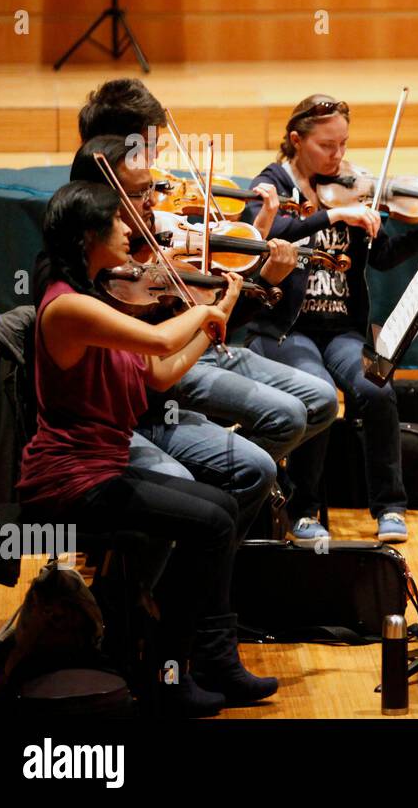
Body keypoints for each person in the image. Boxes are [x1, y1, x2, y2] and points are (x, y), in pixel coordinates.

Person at [20, 181, 277, 716]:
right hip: (71, 479)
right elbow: (162, 341)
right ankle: (169, 670)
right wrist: (207, 307)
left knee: (225, 507)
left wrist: (214, 320)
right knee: (212, 524)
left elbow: (160, 373)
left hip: (104, 467)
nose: (128, 230)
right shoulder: (66, 309)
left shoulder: (97, 301)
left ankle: (205, 657)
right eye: (117, 223)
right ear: (89, 235)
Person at [73, 81, 341, 533]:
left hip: (193, 348)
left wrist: (254, 277)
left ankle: (223, 512)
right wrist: (212, 310)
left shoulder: (153, 224)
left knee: (318, 400)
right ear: (114, 152)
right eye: (148, 156)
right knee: (286, 418)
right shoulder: (97, 246)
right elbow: (158, 364)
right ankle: (211, 515)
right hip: (161, 374)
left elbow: (215, 311)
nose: (159, 187)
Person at [244, 96, 418, 542]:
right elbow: (261, 236)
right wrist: (332, 214)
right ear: (295, 140)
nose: (339, 156)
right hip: (288, 330)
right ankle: (303, 509)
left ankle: (390, 506)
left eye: (343, 144)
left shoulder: (351, 186)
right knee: (319, 395)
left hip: (340, 331)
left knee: (376, 389)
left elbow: (380, 256)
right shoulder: (272, 185)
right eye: (327, 146)